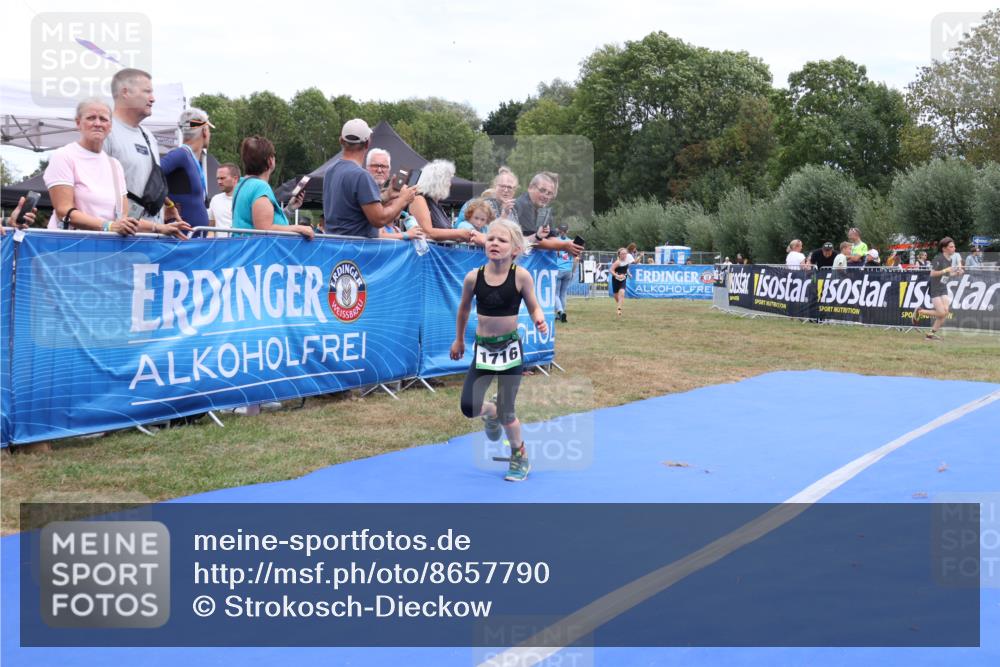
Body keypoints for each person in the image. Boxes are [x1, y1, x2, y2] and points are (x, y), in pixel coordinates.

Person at [450, 219, 547, 482]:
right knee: (469, 407)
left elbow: (534, 305)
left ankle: (519, 455)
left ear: (515, 249)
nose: (494, 243)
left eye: (502, 240)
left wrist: (539, 318)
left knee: (508, 410)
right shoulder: (473, 277)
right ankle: (489, 411)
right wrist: (459, 340)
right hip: (483, 351)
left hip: (510, 351)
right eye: (490, 238)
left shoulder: (520, 276)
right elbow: (463, 309)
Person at [44, 98, 166, 235]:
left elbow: (123, 219)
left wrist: (162, 228)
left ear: (110, 126)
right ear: (78, 123)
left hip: (105, 249)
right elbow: (64, 211)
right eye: (91, 118)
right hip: (70, 248)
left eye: (103, 119)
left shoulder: (114, 165)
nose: (97, 123)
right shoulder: (64, 156)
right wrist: (109, 226)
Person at [103, 68, 183, 226]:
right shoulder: (105, 132)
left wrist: (166, 203)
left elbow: (144, 179)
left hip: (151, 235)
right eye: (147, 92)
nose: (153, 99)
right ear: (125, 92)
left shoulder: (148, 136)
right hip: (120, 237)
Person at [323, 119, 417, 241]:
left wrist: (387, 195)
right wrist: (403, 200)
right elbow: (379, 219)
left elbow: (357, 206)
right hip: (357, 252)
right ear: (368, 143)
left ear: (341, 140)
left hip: (333, 247)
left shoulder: (330, 171)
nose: (379, 170)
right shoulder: (362, 176)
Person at [231, 136, 313, 238]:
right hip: (259, 252)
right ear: (270, 160)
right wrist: (299, 228)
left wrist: (289, 209)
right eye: (274, 155)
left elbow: (264, 221)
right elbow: (264, 228)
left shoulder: (241, 184)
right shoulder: (260, 187)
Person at [161, 108, 214, 229]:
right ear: (205, 131)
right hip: (181, 241)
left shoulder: (190, 159)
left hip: (192, 240)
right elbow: (153, 174)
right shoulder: (181, 155)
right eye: (209, 130)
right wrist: (168, 205)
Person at [512, 172, 582, 257]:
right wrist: (564, 246)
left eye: (549, 193)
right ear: (531, 187)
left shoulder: (544, 209)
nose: (546, 196)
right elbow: (534, 241)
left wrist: (571, 245)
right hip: (519, 263)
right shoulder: (522, 205)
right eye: (542, 190)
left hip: (536, 267)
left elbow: (551, 237)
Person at [912, 237, 964, 341]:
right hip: (935, 286)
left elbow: (947, 275)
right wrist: (945, 270)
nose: (954, 248)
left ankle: (930, 335)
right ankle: (920, 311)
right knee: (941, 313)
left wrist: (957, 273)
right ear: (944, 249)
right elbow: (932, 273)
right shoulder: (938, 259)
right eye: (951, 247)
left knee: (945, 312)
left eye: (954, 246)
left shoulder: (950, 260)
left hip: (943, 286)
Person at [408, 160, 473, 243]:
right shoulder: (418, 199)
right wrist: (458, 233)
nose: (450, 184)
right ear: (437, 182)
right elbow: (427, 232)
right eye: (448, 180)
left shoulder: (436, 204)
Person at [208, 163, 239, 237]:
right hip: (219, 246)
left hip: (240, 245)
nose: (219, 182)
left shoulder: (245, 199)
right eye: (218, 178)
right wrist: (209, 239)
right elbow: (211, 226)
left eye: (222, 178)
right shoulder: (215, 199)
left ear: (235, 179)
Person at [553, 223, 576, 323]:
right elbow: (575, 256)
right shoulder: (571, 242)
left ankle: (560, 312)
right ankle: (561, 315)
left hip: (558, 269)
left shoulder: (555, 241)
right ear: (567, 231)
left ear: (559, 230)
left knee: (556, 294)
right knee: (563, 294)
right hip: (568, 270)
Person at [610, 247, 630, 318]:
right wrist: (617, 275)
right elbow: (611, 270)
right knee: (616, 295)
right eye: (622, 254)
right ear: (619, 255)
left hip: (623, 278)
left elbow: (626, 269)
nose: (624, 255)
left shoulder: (627, 261)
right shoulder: (617, 262)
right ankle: (619, 305)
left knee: (622, 292)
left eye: (625, 253)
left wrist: (629, 274)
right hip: (615, 279)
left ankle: (619, 309)